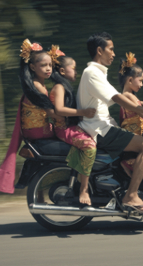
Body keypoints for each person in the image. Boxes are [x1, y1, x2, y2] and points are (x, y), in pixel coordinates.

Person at [77, 32, 143, 215]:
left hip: (103, 126)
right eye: (110, 49)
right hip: (99, 129)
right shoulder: (92, 73)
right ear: (99, 50)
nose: (112, 53)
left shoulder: (98, 74)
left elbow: (123, 98)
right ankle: (131, 195)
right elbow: (117, 98)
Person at [0, 39, 63, 194]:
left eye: (50, 65)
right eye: (43, 65)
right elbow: (52, 114)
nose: (48, 69)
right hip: (38, 131)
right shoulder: (37, 87)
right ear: (32, 67)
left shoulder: (36, 85)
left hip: (34, 130)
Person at [47, 45, 97, 206]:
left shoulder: (64, 87)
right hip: (63, 129)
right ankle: (84, 189)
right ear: (62, 71)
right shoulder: (59, 87)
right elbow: (60, 110)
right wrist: (83, 112)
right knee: (90, 146)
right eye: (73, 68)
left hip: (70, 127)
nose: (76, 72)